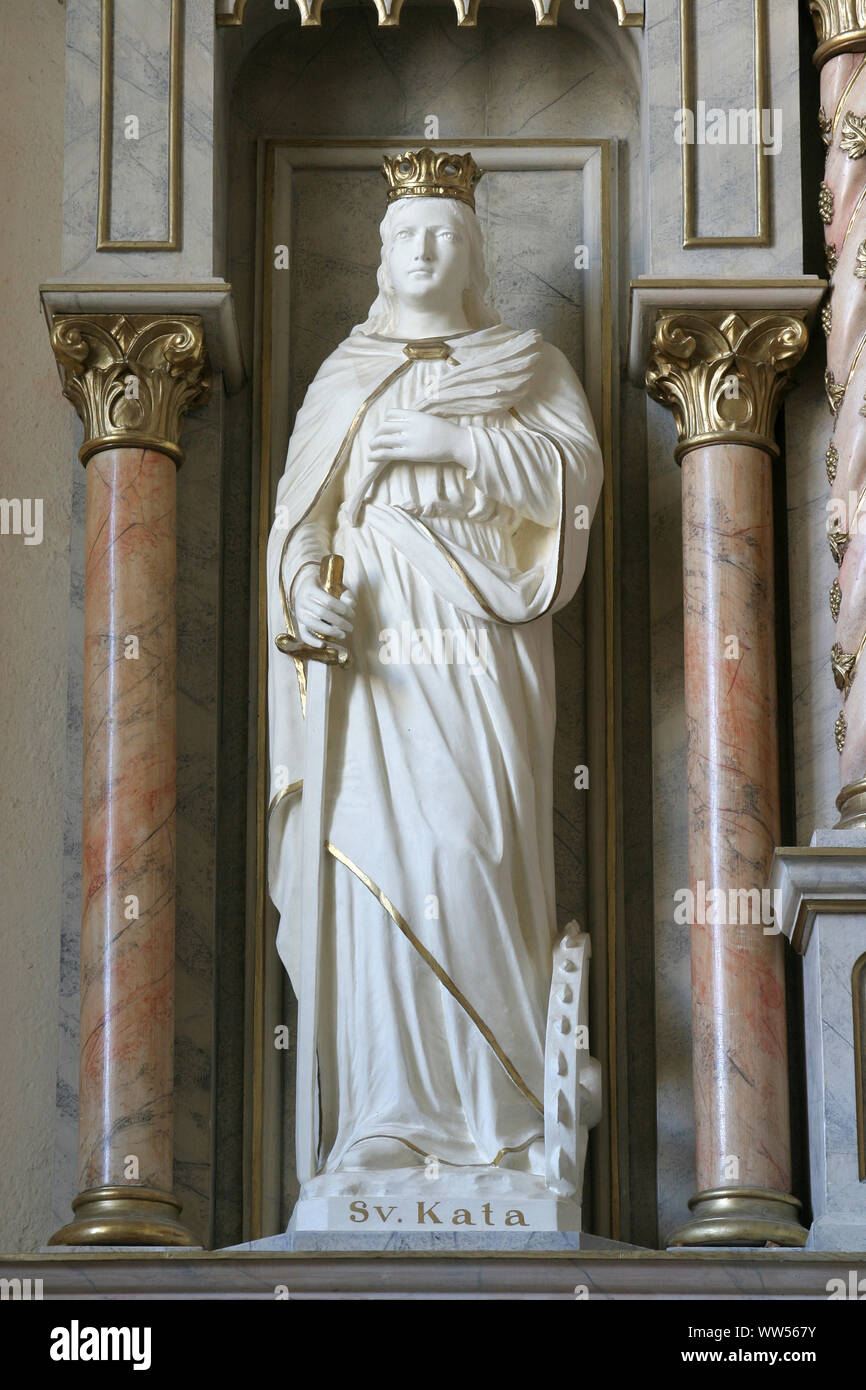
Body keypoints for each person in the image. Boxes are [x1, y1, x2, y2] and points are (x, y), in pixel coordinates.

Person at [267, 148, 604, 1184]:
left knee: (469, 852)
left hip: (478, 655)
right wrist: (301, 594)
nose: (422, 247)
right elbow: (299, 523)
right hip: (371, 659)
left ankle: (500, 1120)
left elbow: (572, 490)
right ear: (378, 255)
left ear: (472, 253)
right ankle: (387, 1112)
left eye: (443, 233)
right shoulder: (343, 374)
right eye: (404, 233)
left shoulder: (527, 363)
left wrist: (446, 444)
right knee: (375, 871)